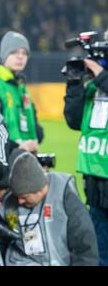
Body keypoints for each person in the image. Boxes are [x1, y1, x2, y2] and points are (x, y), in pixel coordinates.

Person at [0, 149, 99, 266]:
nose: (20, 201)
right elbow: (1, 243)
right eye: (17, 196)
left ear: (39, 189)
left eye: (24, 196)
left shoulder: (64, 196)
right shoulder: (10, 202)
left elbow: (85, 247)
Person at [63, 58, 108, 266]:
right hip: (95, 182)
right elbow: (74, 120)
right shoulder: (94, 86)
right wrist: (73, 84)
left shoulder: (100, 80)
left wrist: (101, 76)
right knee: (98, 252)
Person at [0, 31, 43, 154]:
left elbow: (38, 131)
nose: (20, 57)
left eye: (24, 53)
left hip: (25, 157)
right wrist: (17, 145)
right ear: (4, 55)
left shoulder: (21, 87)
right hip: (3, 158)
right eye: (14, 52)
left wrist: (32, 142)